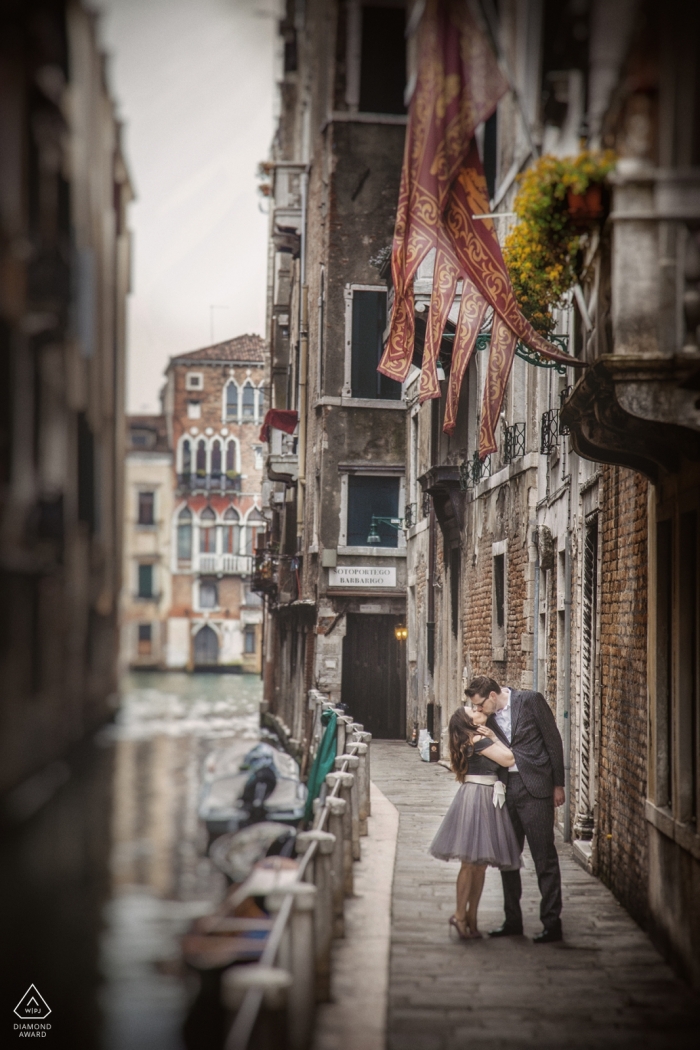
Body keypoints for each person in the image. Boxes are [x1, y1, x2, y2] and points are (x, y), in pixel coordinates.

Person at [465, 675, 566, 943]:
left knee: (544, 857)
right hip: (505, 790)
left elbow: (553, 741)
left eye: (479, 704)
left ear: (493, 696)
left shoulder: (531, 701)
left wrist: (558, 785)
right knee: (508, 859)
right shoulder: (488, 719)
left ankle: (552, 923)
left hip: (537, 790)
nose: (478, 710)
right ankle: (512, 921)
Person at [429, 706, 521, 940]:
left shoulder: (474, 738)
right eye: (473, 711)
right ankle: (460, 915)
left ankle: (472, 918)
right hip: (477, 797)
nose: (478, 710)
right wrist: (493, 738)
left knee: (479, 865)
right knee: (470, 863)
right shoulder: (479, 739)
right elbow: (509, 758)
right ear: (467, 722)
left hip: (485, 797)